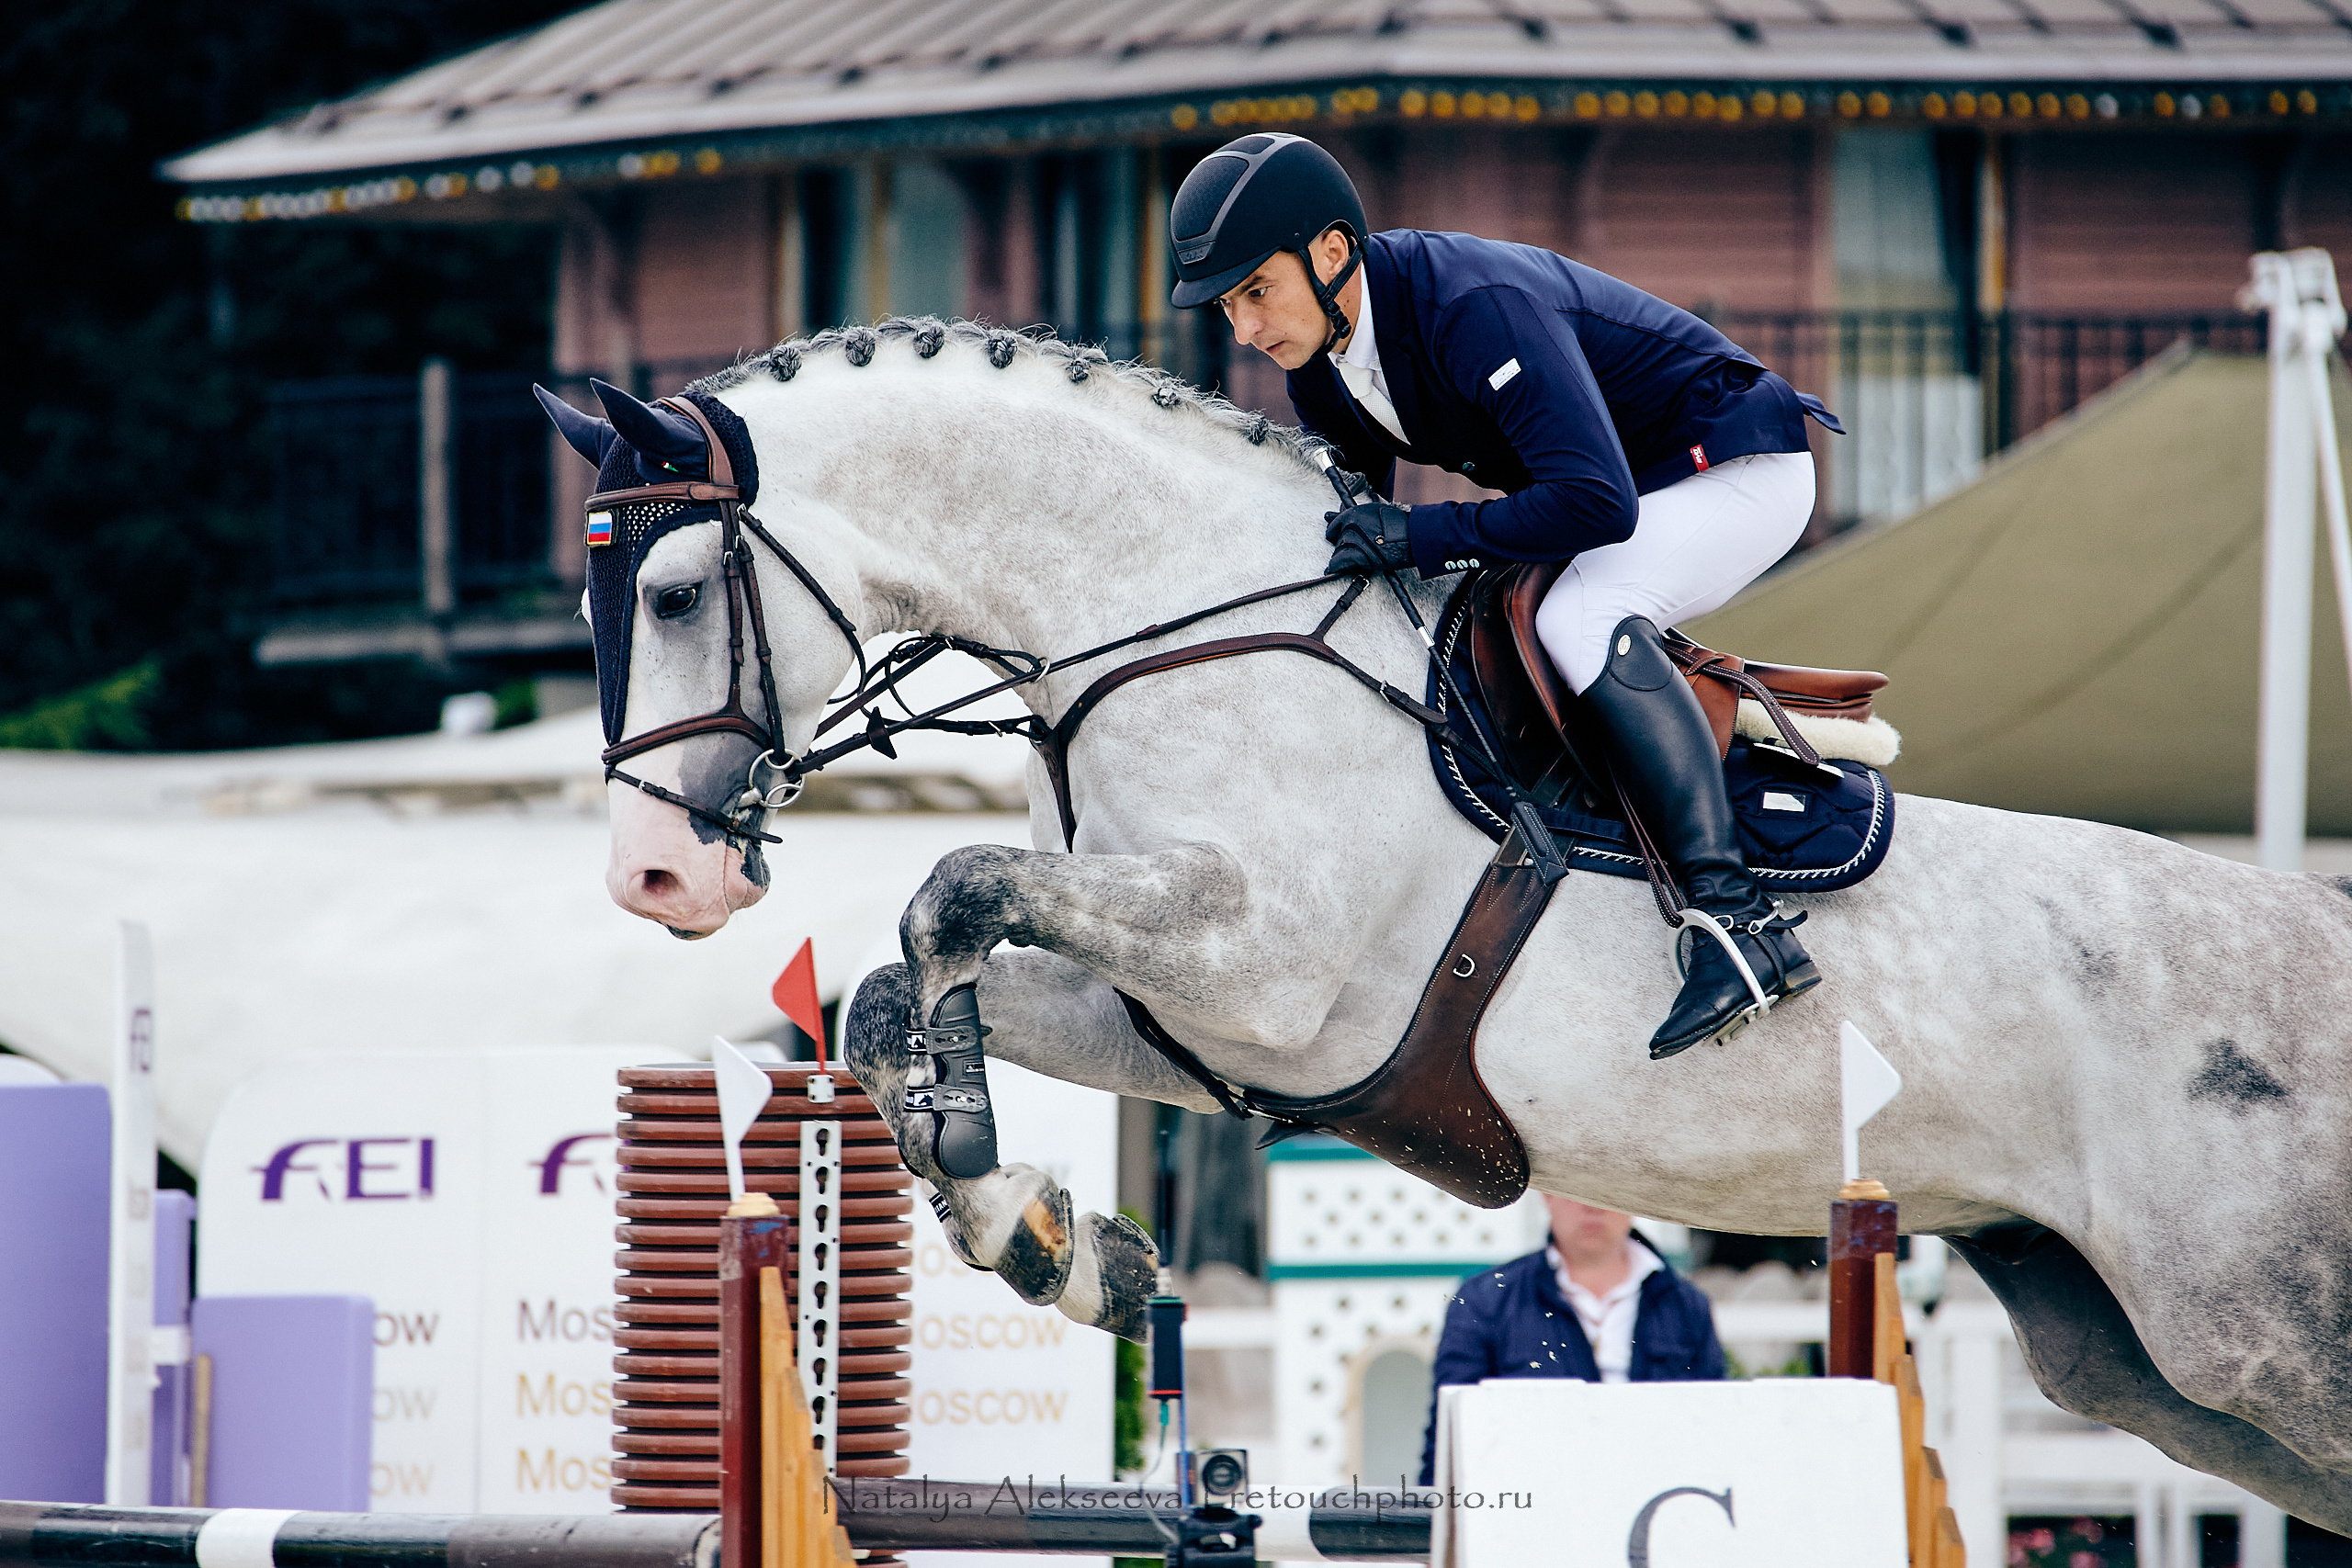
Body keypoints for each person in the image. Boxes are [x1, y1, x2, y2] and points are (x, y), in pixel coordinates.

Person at [1168, 133, 1844, 1060]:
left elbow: (1593, 506)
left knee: (1580, 616)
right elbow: (1357, 550)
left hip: (1734, 465)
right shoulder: (1318, 365)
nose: (1243, 330)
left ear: (1330, 254)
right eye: (1228, 305)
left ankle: (1738, 923)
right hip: (1627, 489)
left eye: (1256, 292)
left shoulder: (1471, 309)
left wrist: (1426, 534)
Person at [1415, 1197, 1724, 1485]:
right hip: (1532, 1508)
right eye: (1576, 1187)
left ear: (1635, 1194)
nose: (1593, 1205)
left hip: (1656, 1507)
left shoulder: (1687, 1305)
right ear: (1547, 1193)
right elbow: (1448, 1439)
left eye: (1607, 1188)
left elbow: (1712, 1432)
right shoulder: (1484, 1301)